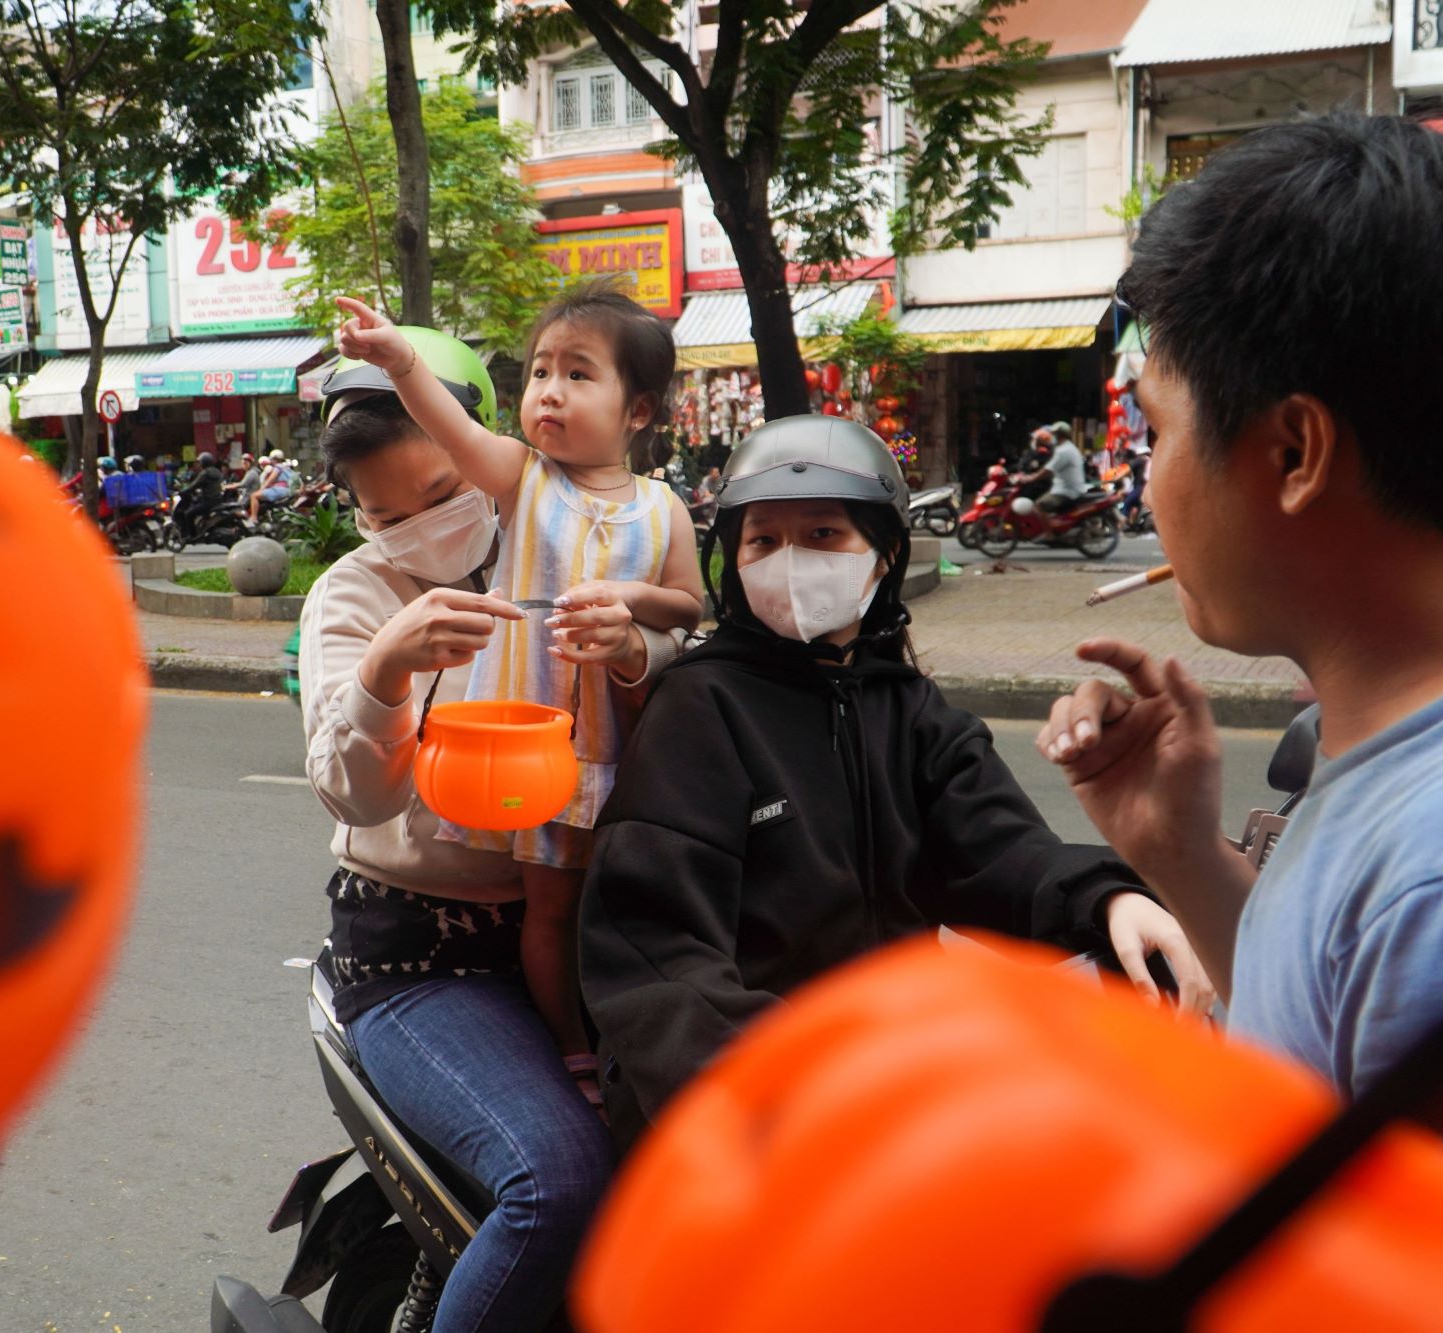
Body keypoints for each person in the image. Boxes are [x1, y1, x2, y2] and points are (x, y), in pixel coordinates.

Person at [1035, 114, 1443, 1193]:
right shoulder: (1422, 766)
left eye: (1155, 429)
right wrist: (1175, 852)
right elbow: (1313, 1066)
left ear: (1293, 451)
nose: (1149, 479)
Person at [580, 416, 1212, 1151]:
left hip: (894, 1072)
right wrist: (784, 1082)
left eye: (823, 535)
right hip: (749, 1103)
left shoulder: (905, 704)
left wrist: (1109, 899)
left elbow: (1003, 850)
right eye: (763, 540)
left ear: (882, 558)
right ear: (733, 560)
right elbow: (663, 947)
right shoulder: (702, 706)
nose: (790, 561)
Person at [299, 333, 686, 1330]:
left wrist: (638, 651)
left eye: (438, 494)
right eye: (385, 513)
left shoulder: (570, 541)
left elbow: (677, 704)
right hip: (425, 962)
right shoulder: (352, 594)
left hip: (598, 934)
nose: (420, 529)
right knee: (556, 1181)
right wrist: (387, 668)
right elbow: (355, 796)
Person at [335, 284, 706, 1087]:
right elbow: (455, 430)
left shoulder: (665, 509)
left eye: (578, 374)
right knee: (551, 910)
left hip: (615, 755)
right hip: (528, 752)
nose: (549, 390)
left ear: (637, 411)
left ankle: (621, 1038)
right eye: (540, 371)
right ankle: (572, 1046)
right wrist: (401, 360)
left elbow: (689, 604)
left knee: (613, 910)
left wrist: (633, 607)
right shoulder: (524, 477)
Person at [1036, 422, 1088, 514]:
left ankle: (1046, 528)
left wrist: (1029, 478)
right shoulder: (1068, 448)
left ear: (1059, 435)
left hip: (1065, 491)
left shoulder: (1064, 451)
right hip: (1067, 488)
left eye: (1054, 434)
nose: (1052, 437)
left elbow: (1048, 470)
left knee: (1039, 506)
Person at [247, 448, 294, 522]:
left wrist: (261, 489)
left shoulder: (278, 467)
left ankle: (253, 518)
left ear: (275, 459)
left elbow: (270, 480)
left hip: (279, 490)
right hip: (287, 490)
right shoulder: (287, 468)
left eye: (272, 459)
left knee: (254, 496)